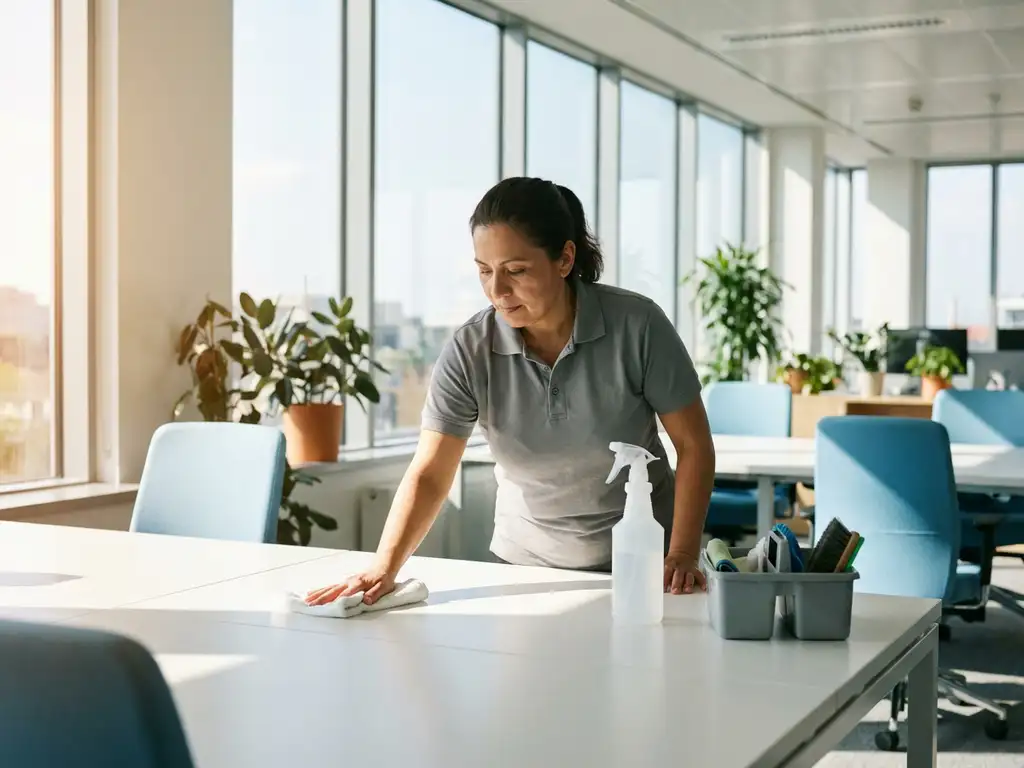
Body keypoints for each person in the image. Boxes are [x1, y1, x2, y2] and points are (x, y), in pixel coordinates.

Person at [305, 176, 716, 607]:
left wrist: (683, 553)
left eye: (516, 271)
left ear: (564, 259)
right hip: (526, 569)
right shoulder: (471, 348)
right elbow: (430, 472)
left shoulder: (638, 325)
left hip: (646, 566)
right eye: (485, 271)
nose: (497, 291)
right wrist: (383, 567)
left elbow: (694, 445)